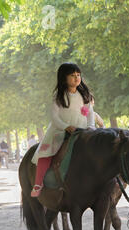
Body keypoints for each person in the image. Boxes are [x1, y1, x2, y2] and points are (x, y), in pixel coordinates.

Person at [30, 62, 95, 197]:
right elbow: (54, 117)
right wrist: (66, 126)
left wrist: (91, 127)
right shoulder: (59, 96)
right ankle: (38, 183)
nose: (77, 78)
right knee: (46, 154)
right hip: (60, 131)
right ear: (63, 78)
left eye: (78, 75)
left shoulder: (84, 95)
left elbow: (89, 113)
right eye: (72, 75)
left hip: (82, 130)